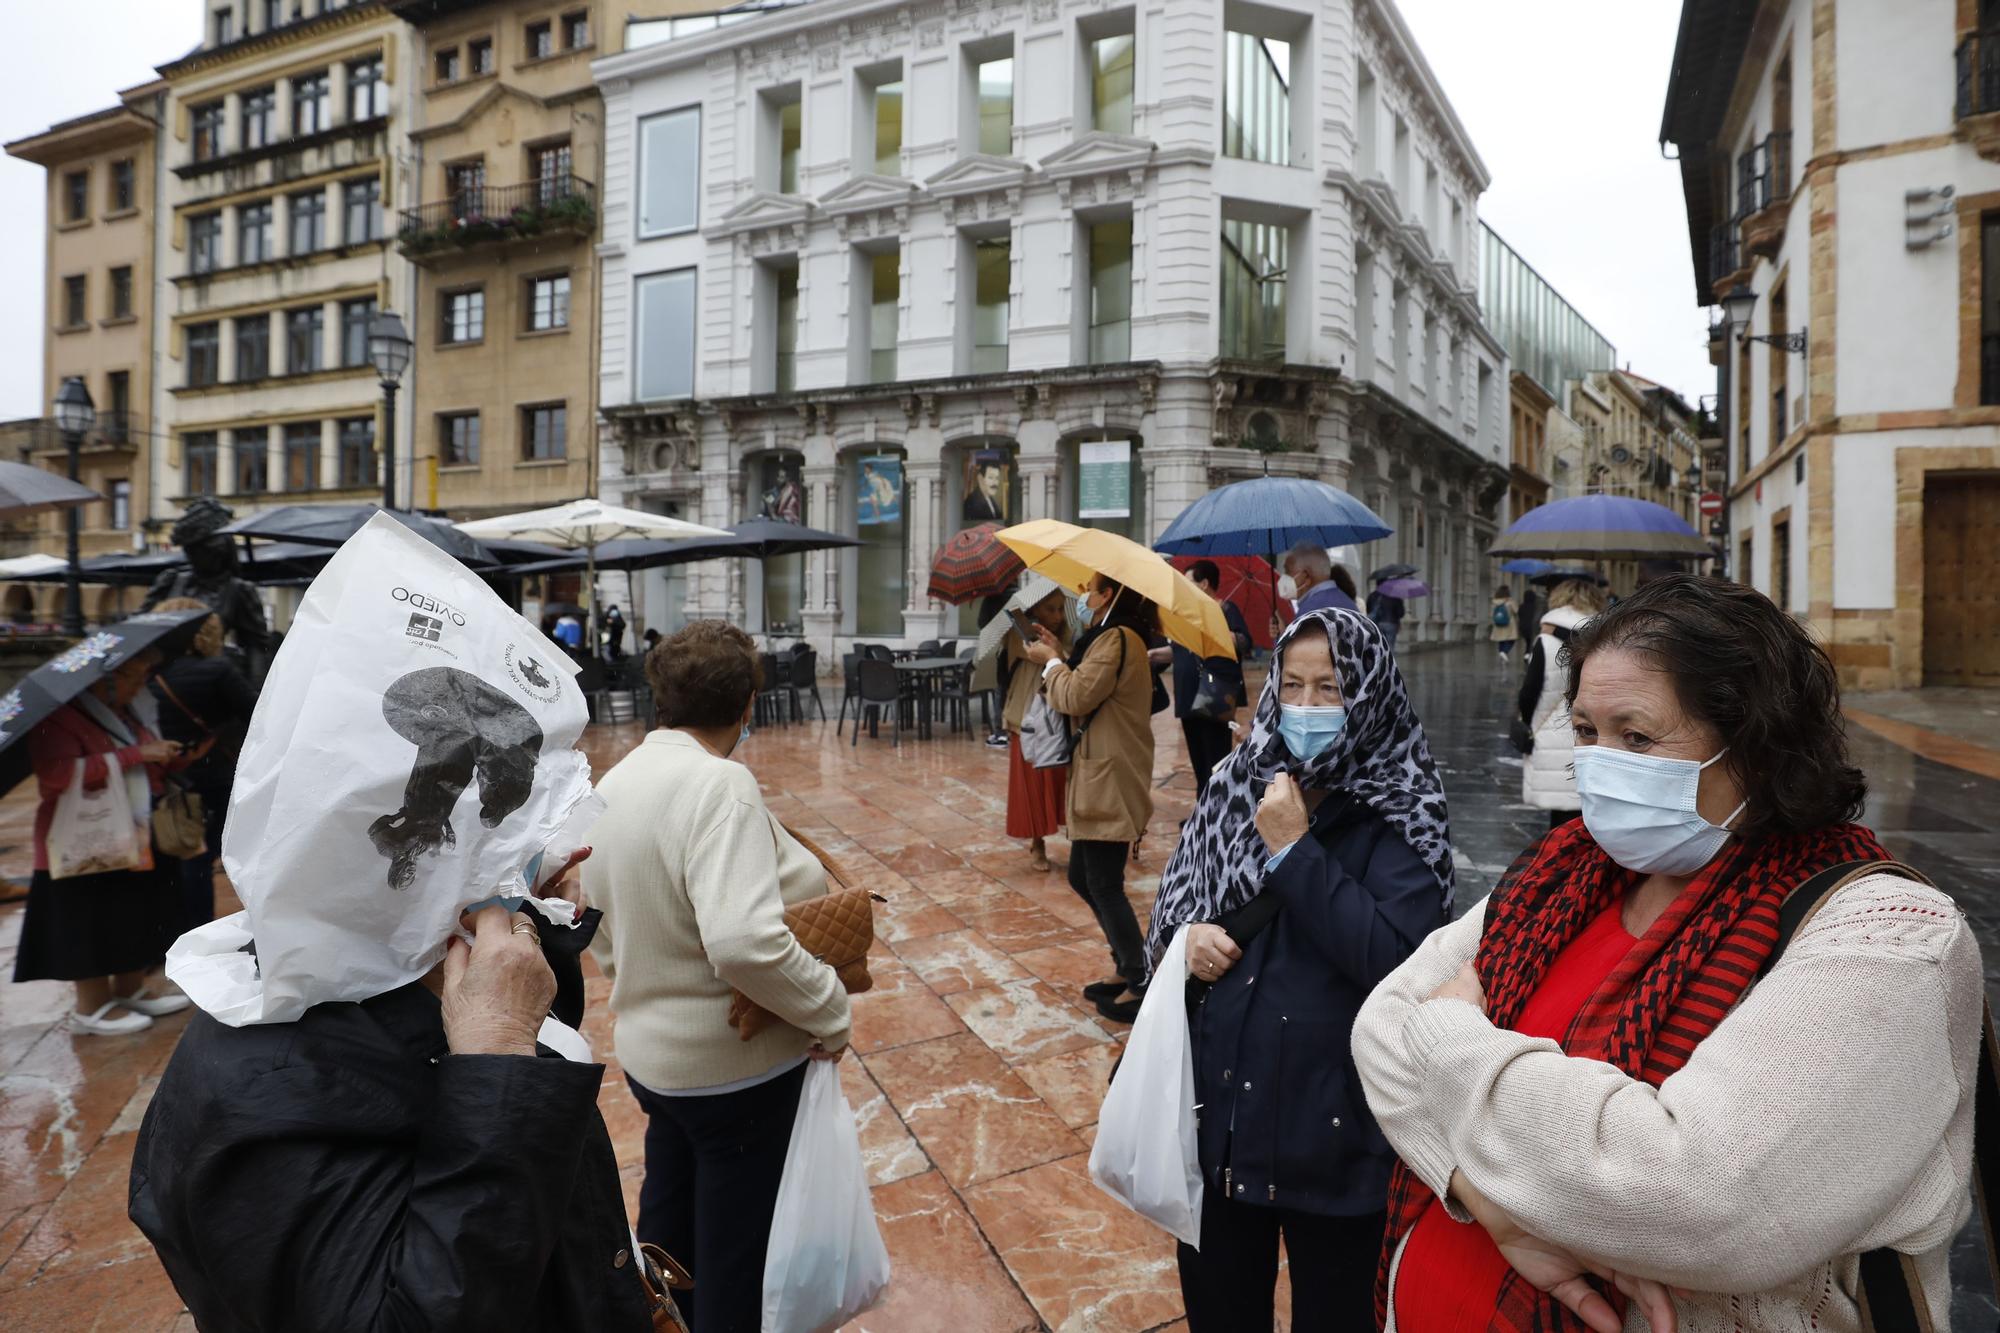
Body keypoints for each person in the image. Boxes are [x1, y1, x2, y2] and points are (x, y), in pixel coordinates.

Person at [1353, 574, 1981, 1333]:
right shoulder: (1563, 872)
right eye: (1585, 730)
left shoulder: (1889, 938)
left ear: (1753, 742)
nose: (1598, 762)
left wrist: (1454, 1040)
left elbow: (1696, 1196)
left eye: (1637, 736)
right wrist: (1486, 1200)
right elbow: (1379, 1026)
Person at [129, 860, 659, 1331]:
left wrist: (534, 938)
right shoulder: (281, 1085)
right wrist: (498, 1056)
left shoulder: (398, 978)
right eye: (520, 830)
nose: (570, 850)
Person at [1152, 608, 1453, 1332]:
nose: (1308, 706)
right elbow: (1175, 911)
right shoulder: (1236, 781)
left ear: (1369, 694)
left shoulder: (1404, 805)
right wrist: (1185, 941)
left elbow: (1401, 963)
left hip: (1338, 1144)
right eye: (1294, 685)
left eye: (1330, 688)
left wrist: (1295, 852)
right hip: (1221, 1126)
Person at [587, 620, 852, 1333]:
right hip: (735, 1072)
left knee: (672, 1233)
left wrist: (642, 976)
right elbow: (741, 940)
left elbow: (598, 924)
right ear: (748, 705)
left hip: (654, 1061)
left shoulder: (613, 784)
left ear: (662, 698)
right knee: (739, 1257)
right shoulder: (718, 781)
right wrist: (829, 1008)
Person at [12, 645, 202, 1035]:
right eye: (132, 676)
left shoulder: (124, 712)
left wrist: (167, 755)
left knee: (130, 914)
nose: (140, 685)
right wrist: (138, 754)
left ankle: (130, 989)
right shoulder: (61, 717)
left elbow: (139, 754)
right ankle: (90, 1007)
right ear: (105, 679)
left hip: (132, 835)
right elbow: (57, 776)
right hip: (84, 840)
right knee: (91, 921)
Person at [1022, 574, 1157, 1024]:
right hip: (1101, 771)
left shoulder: (1118, 638)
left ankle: (1140, 978)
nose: (1083, 596)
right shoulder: (1109, 638)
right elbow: (1079, 690)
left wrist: (1049, 664)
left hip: (1111, 776)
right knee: (1084, 876)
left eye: (1093, 588)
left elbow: (1076, 694)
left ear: (1110, 596)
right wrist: (1057, 656)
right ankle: (1127, 964)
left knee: (1102, 881)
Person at [149, 598, 259, 934]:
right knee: (212, 856)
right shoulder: (218, 670)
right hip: (216, 775)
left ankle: (172, 930)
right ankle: (203, 932)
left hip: (164, 778)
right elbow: (257, 712)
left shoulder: (147, 675)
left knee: (174, 854)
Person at [140, 498, 271, 677]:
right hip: (163, 676)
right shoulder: (170, 581)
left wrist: (257, 695)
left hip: (208, 678)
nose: (194, 555)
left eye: (201, 550)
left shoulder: (238, 590)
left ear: (221, 551)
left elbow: (255, 647)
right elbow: (141, 626)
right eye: (190, 550)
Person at [1518, 579, 1608, 831]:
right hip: (1594, 731)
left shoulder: (1545, 641)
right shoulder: (1605, 640)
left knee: (1560, 819)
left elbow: (1529, 691)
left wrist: (1527, 723)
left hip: (1553, 728)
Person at [1003, 589, 1073, 871]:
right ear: (1035, 610)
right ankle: (1037, 842)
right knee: (1031, 784)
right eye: (1050, 609)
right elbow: (1035, 654)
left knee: (1060, 781)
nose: (1056, 616)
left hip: (1058, 719)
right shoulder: (1018, 633)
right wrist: (1053, 650)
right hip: (1025, 718)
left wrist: (1058, 649)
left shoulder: (1064, 636)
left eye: (1059, 610)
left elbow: (1071, 664)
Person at [1173, 560, 1251, 797]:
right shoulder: (1188, 615)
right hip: (1188, 699)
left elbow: (1245, 642)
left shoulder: (1226, 610)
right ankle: (1201, 812)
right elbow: (1183, 651)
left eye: (1190, 582)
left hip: (1214, 698)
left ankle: (1216, 812)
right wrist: (1157, 655)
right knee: (1198, 763)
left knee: (1215, 761)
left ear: (1204, 583)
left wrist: (1223, 633)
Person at [1271, 543, 1357, 640]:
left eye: (1287, 571)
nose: (1284, 577)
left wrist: (1282, 637)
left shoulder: (1310, 611)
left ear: (1306, 576)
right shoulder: (1346, 601)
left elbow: (1297, 654)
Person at [1365, 582, 1406, 652]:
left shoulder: (1373, 595)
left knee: (1379, 645)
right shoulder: (1395, 596)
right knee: (1390, 647)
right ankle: (1389, 662)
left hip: (1378, 624)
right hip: (1392, 624)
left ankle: (1381, 661)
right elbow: (1401, 613)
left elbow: (1368, 609)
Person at [1489, 584, 1519, 670]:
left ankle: (1502, 654)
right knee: (1511, 639)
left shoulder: (1494, 602)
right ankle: (1504, 652)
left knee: (1501, 640)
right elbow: (1516, 611)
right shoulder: (1510, 602)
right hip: (1509, 623)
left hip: (1498, 623)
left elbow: (1492, 614)